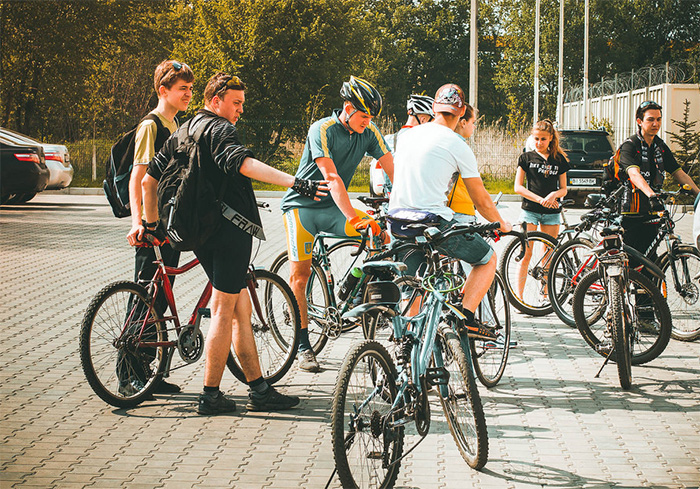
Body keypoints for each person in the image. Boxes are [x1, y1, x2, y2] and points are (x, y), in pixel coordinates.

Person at [142, 72, 328, 414]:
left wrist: (151, 224)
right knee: (223, 311)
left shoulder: (182, 130)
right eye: (236, 103)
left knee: (241, 310)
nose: (240, 110)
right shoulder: (220, 129)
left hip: (200, 234)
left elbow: (148, 180)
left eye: (242, 103)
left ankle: (258, 388)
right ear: (216, 101)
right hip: (230, 234)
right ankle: (210, 396)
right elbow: (243, 164)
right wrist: (296, 182)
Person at [281, 76, 394, 373]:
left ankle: (354, 290)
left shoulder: (369, 132)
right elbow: (331, 178)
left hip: (332, 208)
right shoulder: (322, 129)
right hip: (301, 209)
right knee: (301, 276)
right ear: (347, 107)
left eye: (371, 116)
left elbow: (395, 169)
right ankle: (303, 346)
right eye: (364, 114)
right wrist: (354, 217)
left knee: (378, 235)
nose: (368, 121)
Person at [389, 83, 511, 338]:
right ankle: (464, 318)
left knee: (415, 291)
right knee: (487, 259)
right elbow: (481, 201)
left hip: (398, 222)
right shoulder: (457, 145)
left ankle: (409, 353)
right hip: (432, 224)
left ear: (434, 108)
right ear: (461, 112)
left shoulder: (406, 136)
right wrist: (501, 223)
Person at [121, 59, 194, 396]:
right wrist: (139, 223)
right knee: (144, 300)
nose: (189, 94)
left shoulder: (175, 121)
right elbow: (139, 177)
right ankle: (127, 376)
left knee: (160, 300)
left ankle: (149, 372)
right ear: (163, 90)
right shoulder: (151, 125)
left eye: (191, 89)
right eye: (183, 89)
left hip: (168, 223)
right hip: (151, 226)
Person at [513, 119, 570, 300]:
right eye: (536, 138)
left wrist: (553, 195)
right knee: (526, 253)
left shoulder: (559, 160)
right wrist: (539, 199)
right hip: (530, 210)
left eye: (543, 139)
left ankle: (545, 295)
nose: (539, 143)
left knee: (548, 254)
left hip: (552, 212)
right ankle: (519, 297)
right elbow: (518, 187)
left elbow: (564, 188)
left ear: (551, 138)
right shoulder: (526, 158)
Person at [375, 94, 435, 195]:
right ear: (423, 120)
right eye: (433, 122)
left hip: (390, 203)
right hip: (415, 203)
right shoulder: (423, 141)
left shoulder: (388, 139)